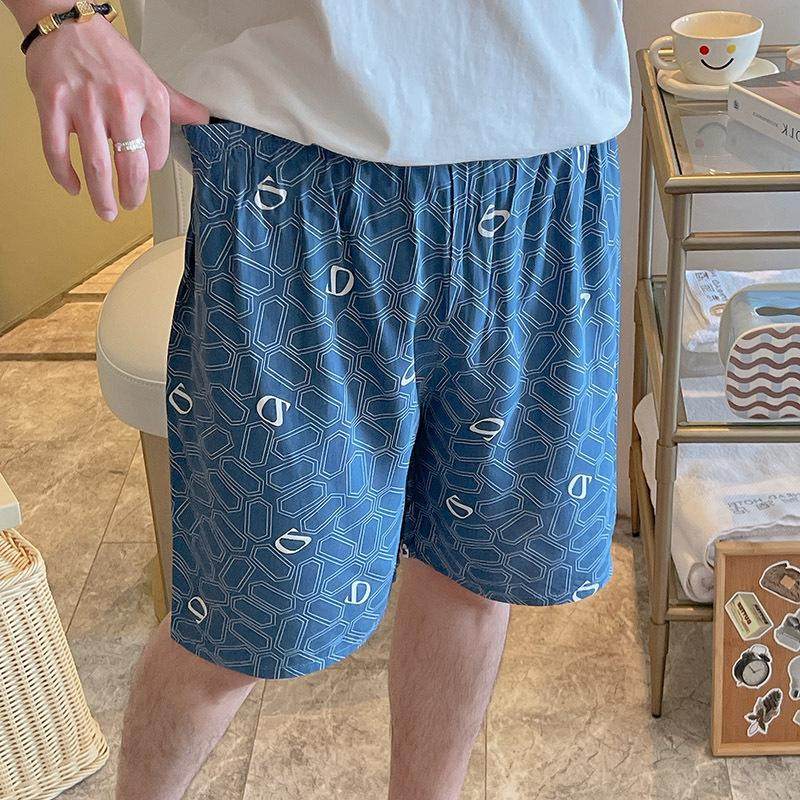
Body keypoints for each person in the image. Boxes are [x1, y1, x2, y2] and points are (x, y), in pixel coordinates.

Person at [6, 1, 631, 798]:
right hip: (294, 175)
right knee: (241, 624)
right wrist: (56, 20)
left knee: (474, 576)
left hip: (547, 162)